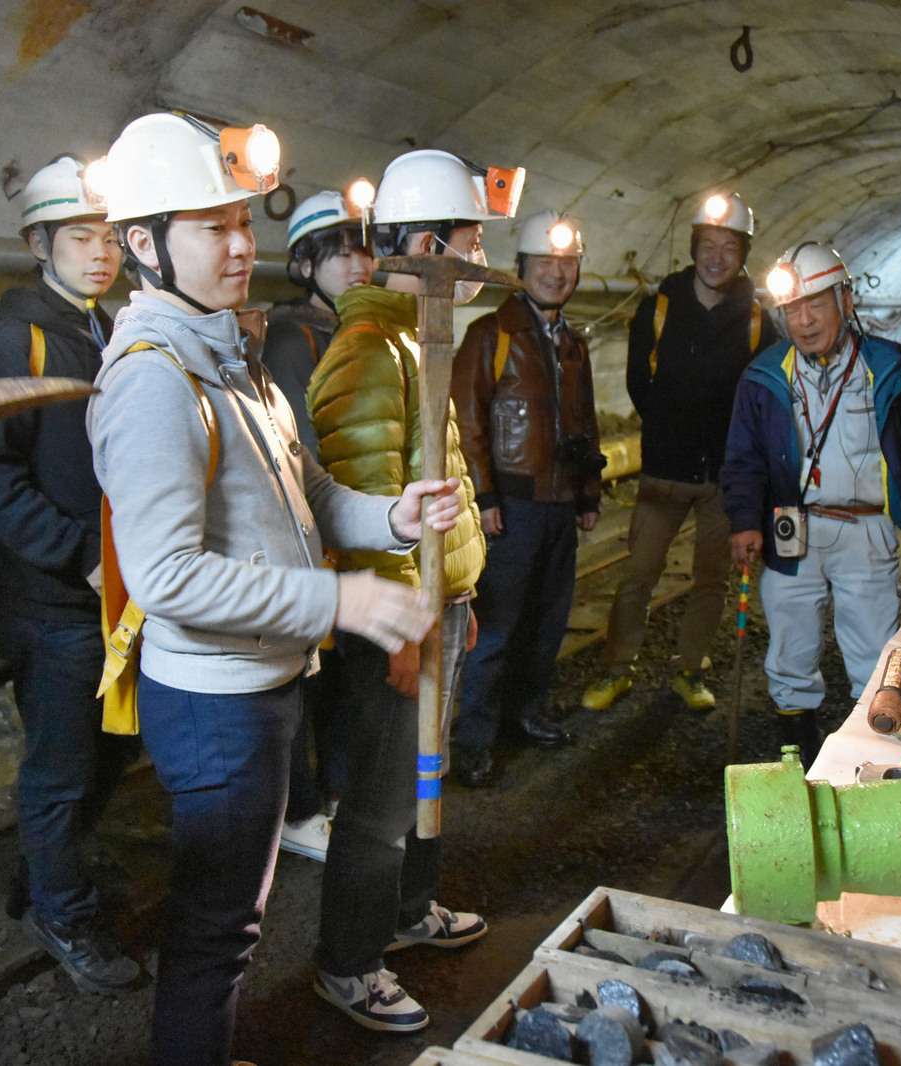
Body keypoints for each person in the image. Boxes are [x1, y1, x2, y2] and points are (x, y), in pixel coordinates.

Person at [87, 112, 456, 1066]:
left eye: (243, 221)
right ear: (143, 244)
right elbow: (165, 576)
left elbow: (307, 494)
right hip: (214, 704)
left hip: (259, 686)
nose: (242, 244)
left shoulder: (228, 352)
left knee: (232, 916)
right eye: (212, 227)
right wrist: (340, 603)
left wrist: (392, 520)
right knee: (218, 928)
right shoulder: (155, 379)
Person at [306, 147, 507, 1031]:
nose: (479, 261)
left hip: (439, 607)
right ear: (430, 242)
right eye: (470, 240)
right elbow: (359, 503)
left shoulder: (412, 340)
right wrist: (401, 628)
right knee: (383, 800)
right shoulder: (366, 353)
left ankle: (405, 913)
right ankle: (348, 964)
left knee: (428, 770)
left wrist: (454, 596)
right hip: (397, 620)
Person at [0, 156, 141, 994]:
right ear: (41, 243)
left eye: (109, 236)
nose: (100, 252)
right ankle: (63, 914)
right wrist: (80, 553)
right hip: (50, 594)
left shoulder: (103, 328)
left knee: (108, 748)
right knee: (64, 762)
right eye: (81, 237)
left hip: (107, 589)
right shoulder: (18, 335)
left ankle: (40, 880)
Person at [722, 242, 901, 757]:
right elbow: (744, 458)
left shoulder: (892, 369)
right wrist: (743, 519)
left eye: (816, 304)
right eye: (792, 310)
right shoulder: (762, 378)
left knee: (874, 650)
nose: (803, 321)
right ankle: (795, 752)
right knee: (789, 645)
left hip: (865, 528)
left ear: (846, 302)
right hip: (790, 524)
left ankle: (869, 749)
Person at [582, 192, 776, 713]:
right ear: (694, 248)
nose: (716, 256)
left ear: (743, 253)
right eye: (707, 244)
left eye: (728, 246)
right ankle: (616, 668)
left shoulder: (759, 320)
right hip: (663, 473)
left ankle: (690, 668)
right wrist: (669, 430)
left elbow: (767, 398)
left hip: (722, 479)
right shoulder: (660, 306)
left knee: (711, 579)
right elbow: (637, 381)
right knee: (638, 576)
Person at [450, 209, 600, 787]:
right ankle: (475, 740)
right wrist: (483, 495)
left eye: (567, 263)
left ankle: (525, 714)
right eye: (546, 262)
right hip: (509, 508)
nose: (557, 273)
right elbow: (467, 421)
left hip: (560, 506)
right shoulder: (491, 335)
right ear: (521, 269)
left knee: (547, 621)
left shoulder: (573, 344)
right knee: (497, 627)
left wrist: (588, 493)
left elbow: (583, 422)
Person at [261, 188, 375, 862]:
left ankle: (333, 793)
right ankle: (299, 810)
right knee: (308, 679)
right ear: (305, 265)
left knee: (342, 678)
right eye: (338, 255)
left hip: (352, 527)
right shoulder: (292, 336)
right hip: (317, 534)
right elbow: (304, 445)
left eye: (363, 249)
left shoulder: (351, 328)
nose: (357, 264)